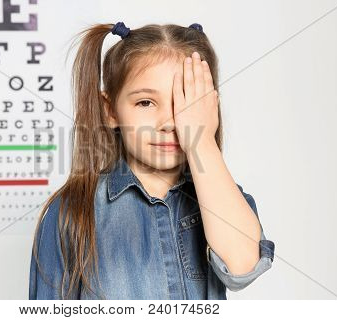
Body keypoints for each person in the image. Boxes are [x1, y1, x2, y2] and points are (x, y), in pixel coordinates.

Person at [29, 22, 275, 300]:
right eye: (145, 102)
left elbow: (243, 267)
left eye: (186, 104)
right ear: (110, 110)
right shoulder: (70, 212)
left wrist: (202, 141)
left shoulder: (224, 197)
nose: (169, 122)